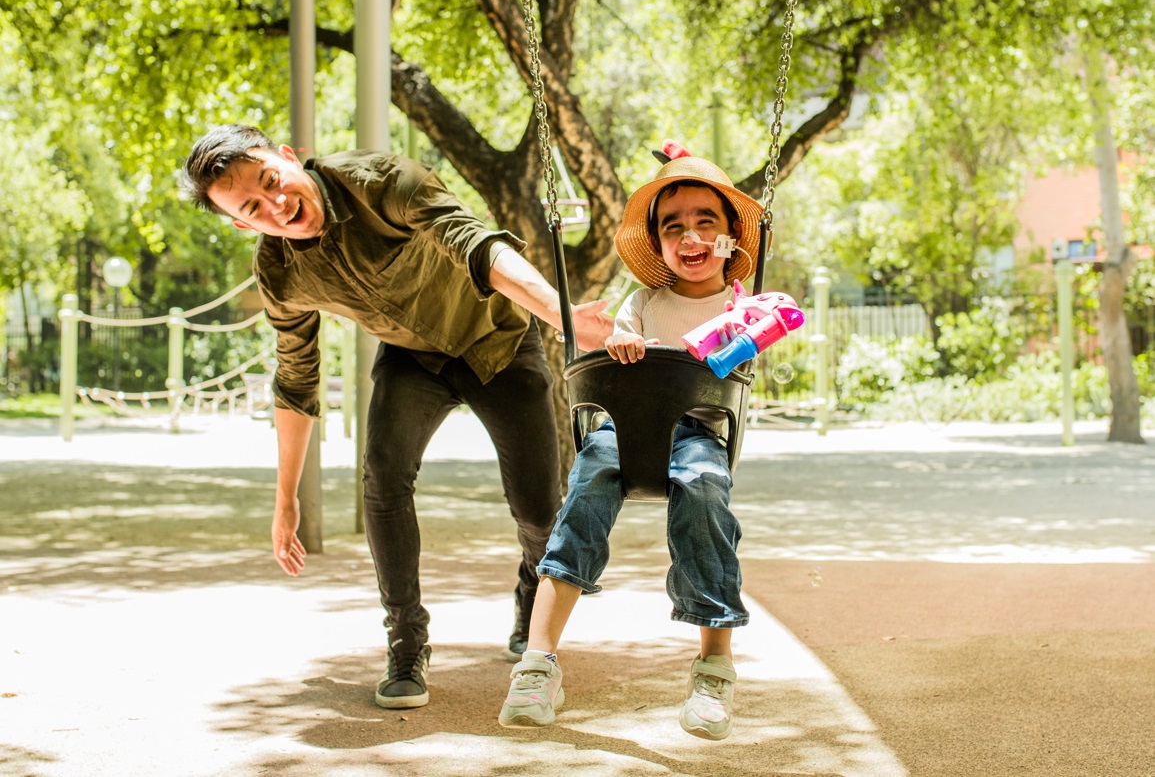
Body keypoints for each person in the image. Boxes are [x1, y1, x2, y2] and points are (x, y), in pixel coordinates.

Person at [179, 125, 612, 710]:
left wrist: (564, 316)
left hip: (498, 340)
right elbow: (297, 380)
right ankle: (406, 640)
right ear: (242, 224)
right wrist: (285, 500)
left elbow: (476, 244)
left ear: (286, 157)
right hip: (413, 360)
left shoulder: (381, 180)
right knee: (382, 480)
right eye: (253, 207)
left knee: (538, 510)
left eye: (271, 181)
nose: (276, 204)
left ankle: (533, 590)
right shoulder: (280, 273)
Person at [497, 143, 764, 740]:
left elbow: (752, 343)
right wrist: (623, 346)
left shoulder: (741, 304)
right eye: (674, 227)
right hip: (624, 428)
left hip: (696, 431)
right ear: (660, 243)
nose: (690, 236)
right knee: (585, 492)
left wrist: (748, 328)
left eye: (705, 223)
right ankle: (537, 664)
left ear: (728, 239)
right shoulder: (643, 302)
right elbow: (619, 346)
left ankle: (714, 672)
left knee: (702, 492)